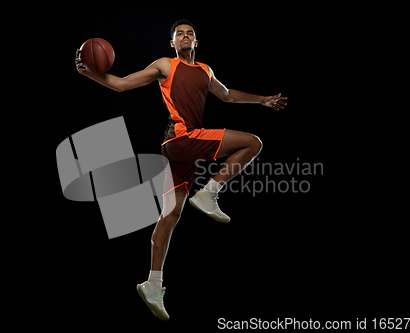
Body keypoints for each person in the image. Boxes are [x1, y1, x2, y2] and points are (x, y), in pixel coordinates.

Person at [75, 19, 287, 320]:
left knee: (169, 216)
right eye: (179, 34)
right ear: (172, 43)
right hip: (182, 138)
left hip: (182, 151)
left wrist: (262, 100)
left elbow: (227, 95)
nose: (185, 36)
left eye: (190, 33)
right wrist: (88, 73)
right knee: (253, 143)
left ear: (196, 43)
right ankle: (210, 192)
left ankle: (153, 283)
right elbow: (122, 84)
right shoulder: (166, 65)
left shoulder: (205, 70)